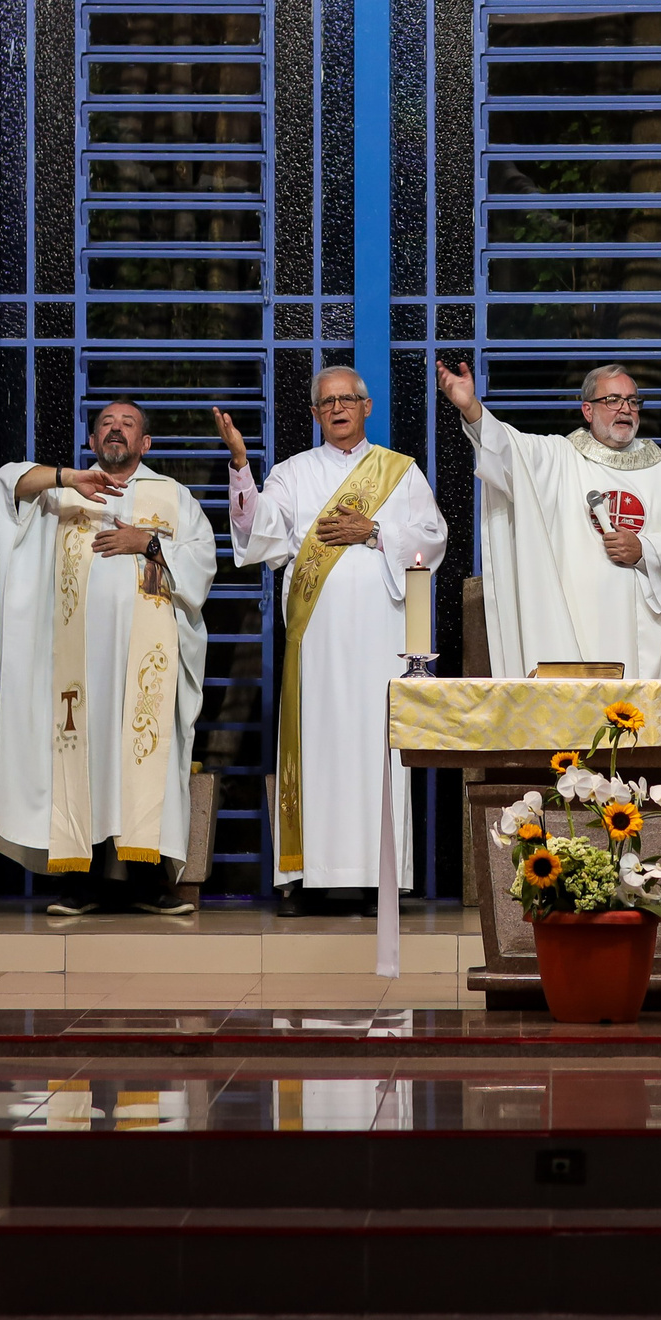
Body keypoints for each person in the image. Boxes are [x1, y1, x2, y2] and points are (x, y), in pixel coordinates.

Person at [218, 367, 448, 914]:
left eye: (348, 399)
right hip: (316, 644)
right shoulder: (292, 473)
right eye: (327, 402)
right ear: (316, 414)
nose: (339, 408)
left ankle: (378, 877)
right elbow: (258, 536)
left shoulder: (401, 472)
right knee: (316, 745)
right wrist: (240, 466)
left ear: (367, 407)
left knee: (376, 746)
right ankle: (305, 876)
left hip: (381, 639)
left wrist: (372, 532)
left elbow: (432, 539)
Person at [0, 401, 219, 915]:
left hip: (148, 667)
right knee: (83, 758)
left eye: (128, 424)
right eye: (106, 424)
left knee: (146, 759)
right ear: (93, 441)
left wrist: (150, 542)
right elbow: (8, 483)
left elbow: (203, 565)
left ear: (146, 443)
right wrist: (69, 478)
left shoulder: (172, 497)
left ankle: (149, 882)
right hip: (80, 664)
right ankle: (82, 882)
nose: (116, 430)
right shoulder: (63, 493)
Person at [435, 359, 661, 678]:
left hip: (644, 630)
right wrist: (471, 408)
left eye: (633, 401)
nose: (625, 409)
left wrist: (645, 550)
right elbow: (509, 453)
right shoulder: (559, 459)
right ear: (588, 410)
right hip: (575, 621)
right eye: (612, 400)